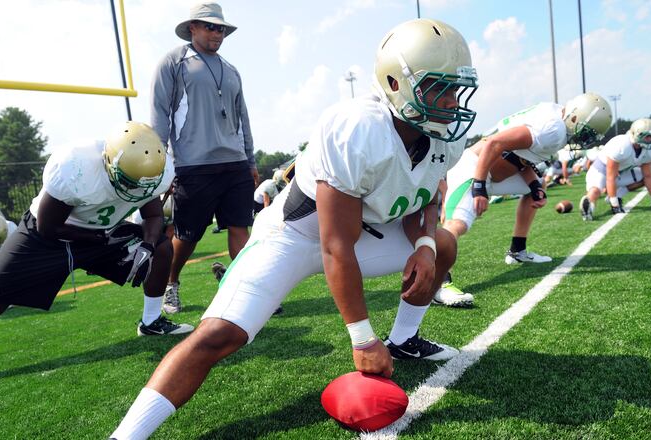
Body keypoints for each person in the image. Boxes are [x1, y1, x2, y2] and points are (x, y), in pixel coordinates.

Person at [110, 18, 479, 439]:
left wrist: (426, 244)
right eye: (440, 88)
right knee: (218, 335)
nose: (452, 102)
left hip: (368, 235)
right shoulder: (357, 128)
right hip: (296, 236)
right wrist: (361, 338)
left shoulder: (446, 136)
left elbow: (426, 197)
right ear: (396, 83)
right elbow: (335, 244)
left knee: (445, 244)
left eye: (456, 88)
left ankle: (403, 340)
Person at [0, 122, 194, 375]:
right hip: (47, 238)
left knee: (160, 248)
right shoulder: (75, 167)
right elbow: (48, 228)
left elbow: (153, 216)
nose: (137, 189)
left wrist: (146, 246)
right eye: (130, 181)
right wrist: (100, 239)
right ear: (109, 162)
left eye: (144, 184)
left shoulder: (154, 169)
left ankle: (151, 322)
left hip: (102, 233)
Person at [434, 93, 612, 307]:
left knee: (538, 185)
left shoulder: (556, 121)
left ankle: (517, 251)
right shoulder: (553, 129)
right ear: (574, 118)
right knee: (457, 224)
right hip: (474, 166)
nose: (585, 141)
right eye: (586, 133)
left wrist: (535, 186)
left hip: (496, 173)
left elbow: (520, 157)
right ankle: (438, 284)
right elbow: (494, 143)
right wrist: (479, 186)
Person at [151, 2, 257, 314]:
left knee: (240, 228)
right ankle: (171, 283)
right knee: (188, 235)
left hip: (235, 163)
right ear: (192, 27)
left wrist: (250, 160)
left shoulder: (231, 70)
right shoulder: (173, 61)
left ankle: (246, 293)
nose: (217, 32)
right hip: (193, 165)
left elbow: (242, 118)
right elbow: (160, 115)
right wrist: (161, 166)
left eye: (220, 27)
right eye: (210, 26)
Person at [580, 118, 651, 220]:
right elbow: (610, 177)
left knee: (646, 176)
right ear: (636, 134)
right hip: (601, 169)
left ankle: (617, 195)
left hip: (620, 172)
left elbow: (647, 175)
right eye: (647, 136)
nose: (650, 140)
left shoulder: (649, 149)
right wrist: (615, 205)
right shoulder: (622, 145)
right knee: (596, 191)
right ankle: (588, 208)